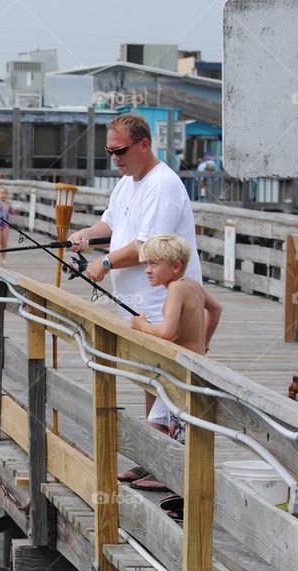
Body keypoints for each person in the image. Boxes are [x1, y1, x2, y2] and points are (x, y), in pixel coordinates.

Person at [68, 112, 203, 489]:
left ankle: (173, 467)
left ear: (144, 144)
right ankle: (153, 458)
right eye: (110, 152)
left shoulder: (164, 185)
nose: (115, 158)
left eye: (121, 150)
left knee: (171, 381)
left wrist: (105, 262)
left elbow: (147, 247)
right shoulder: (127, 183)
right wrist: (85, 236)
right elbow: (110, 226)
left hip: (166, 300)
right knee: (149, 378)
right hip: (136, 300)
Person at [130, 235, 223, 441]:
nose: (147, 270)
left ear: (176, 266)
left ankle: (160, 471)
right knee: (159, 421)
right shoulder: (191, 284)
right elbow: (216, 309)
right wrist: (203, 342)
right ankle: (155, 470)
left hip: (182, 372)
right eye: (146, 263)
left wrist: (141, 324)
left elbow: (167, 333)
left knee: (171, 427)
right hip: (191, 366)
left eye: (153, 264)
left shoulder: (176, 288)